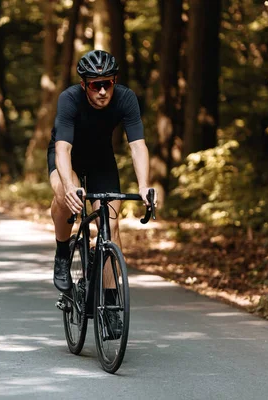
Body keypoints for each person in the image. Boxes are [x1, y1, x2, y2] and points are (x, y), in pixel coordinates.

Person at [47, 50, 154, 336]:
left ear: (115, 81)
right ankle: (62, 251)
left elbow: (137, 146)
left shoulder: (125, 98)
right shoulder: (69, 99)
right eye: (96, 85)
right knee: (65, 196)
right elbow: (63, 149)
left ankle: (108, 302)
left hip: (100, 159)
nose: (103, 90)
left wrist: (144, 185)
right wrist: (69, 187)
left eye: (108, 83)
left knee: (111, 225)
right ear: (85, 85)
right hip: (67, 156)